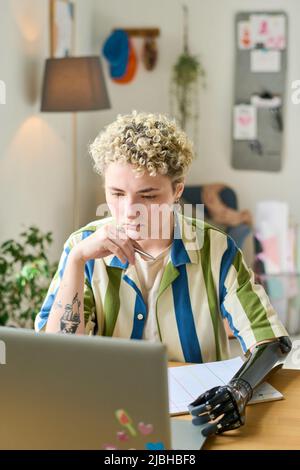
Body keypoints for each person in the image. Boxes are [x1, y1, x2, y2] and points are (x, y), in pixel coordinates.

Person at [35, 111, 291, 435]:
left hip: (195, 420)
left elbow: (271, 340)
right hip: (105, 417)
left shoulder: (217, 250)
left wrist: (239, 389)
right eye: (116, 194)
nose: (129, 211)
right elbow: (58, 357)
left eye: (148, 195)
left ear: (177, 190)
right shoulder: (82, 247)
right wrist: (75, 261)